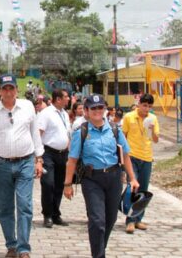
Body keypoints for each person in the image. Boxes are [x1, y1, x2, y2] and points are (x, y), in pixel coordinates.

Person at [63, 94, 139, 258]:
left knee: (110, 220)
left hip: (113, 178)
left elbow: (125, 155)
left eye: (100, 107)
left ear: (105, 109)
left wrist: (132, 178)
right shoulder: (80, 132)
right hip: (92, 180)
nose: (97, 111)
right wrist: (67, 184)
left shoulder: (114, 129)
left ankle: (99, 250)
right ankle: (99, 255)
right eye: (93, 108)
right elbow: (72, 160)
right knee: (97, 221)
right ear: (87, 111)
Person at [0, 74, 44, 258]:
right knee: (5, 207)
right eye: (4, 88)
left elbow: (35, 134)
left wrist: (39, 159)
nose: (8, 92)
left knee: (24, 205)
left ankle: (24, 248)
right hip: (1, 164)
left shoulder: (28, 107)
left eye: (11, 88)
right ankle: (11, 245)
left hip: (25, 162)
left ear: (17, 90)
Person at [121, 93, 160, 234]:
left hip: (147, 157)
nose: (146, 109)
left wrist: (151, 129)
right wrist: (122, 159)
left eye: (149, 106)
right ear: (139, 104)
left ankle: (138, 218)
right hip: (131, 156)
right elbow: (123, 137)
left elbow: (156, 139)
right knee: (133, 187)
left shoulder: (153, 118)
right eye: (144, 105)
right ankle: (130, 220)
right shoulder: (128, 117)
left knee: (143, 189)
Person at [37, 88, 71, 228]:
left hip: (62, 154)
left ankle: (56, 213)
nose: (68, 99)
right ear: (58, 99)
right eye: (66, 96)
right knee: (48, 183)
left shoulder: (64, 114)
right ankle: (47, 214)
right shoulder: (46, 114)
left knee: (59, 184)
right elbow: (38, 134)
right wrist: (37, 157)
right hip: (48, 153)